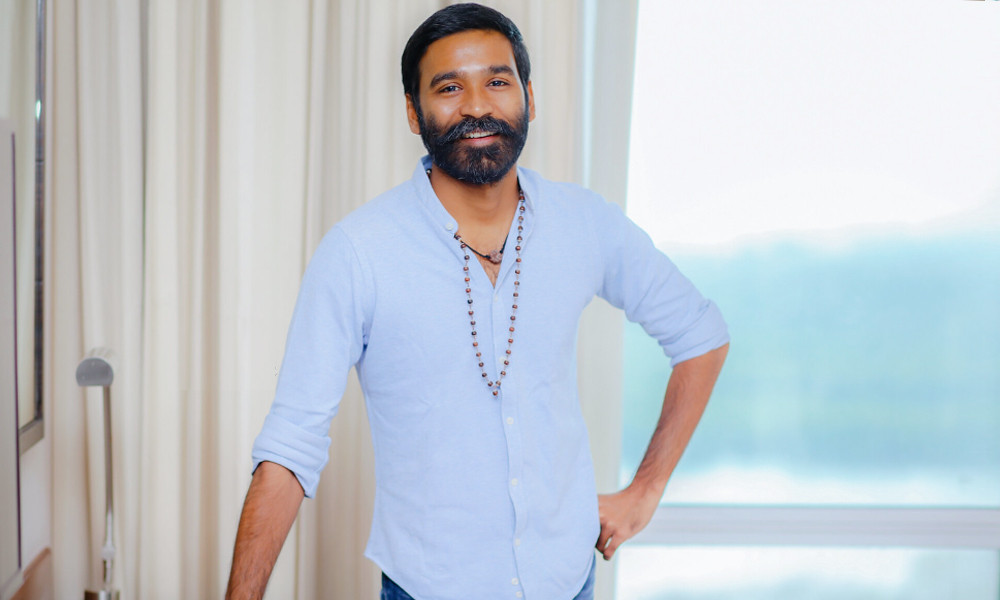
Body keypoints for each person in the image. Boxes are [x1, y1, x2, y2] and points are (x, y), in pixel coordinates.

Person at [225, 3, 729, 599]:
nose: (476, 106)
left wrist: (645, 491)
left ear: (529, 98)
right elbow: (290, 448)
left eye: (496, 81)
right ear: (413, 111)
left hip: (568, 582)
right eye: (448, 87)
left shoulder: (584, 223)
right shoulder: (359, 252)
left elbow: (700, 335)